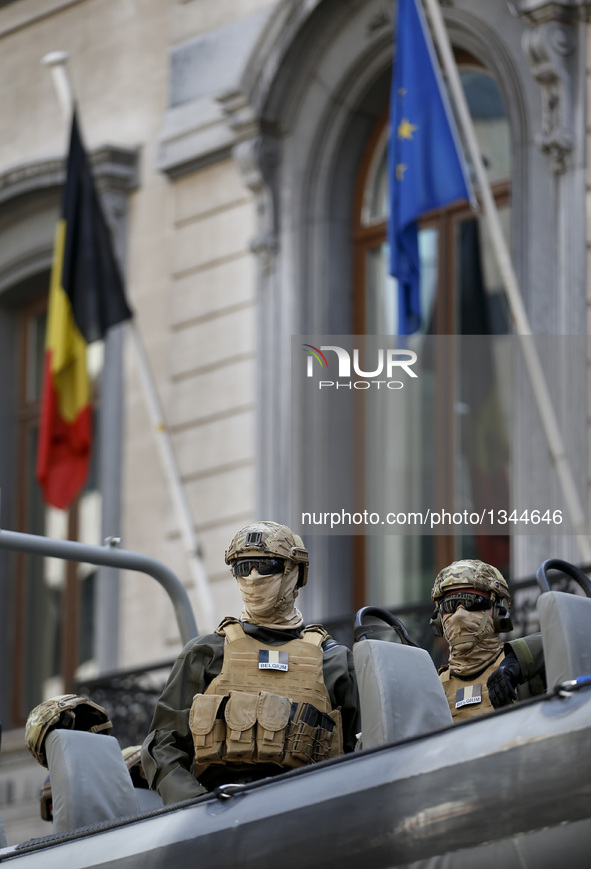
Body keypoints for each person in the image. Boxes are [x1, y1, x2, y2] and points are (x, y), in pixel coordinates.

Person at [141, 521, 360, 805]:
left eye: (266, 565)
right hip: (220, 810)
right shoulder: (206, 653)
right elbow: (162, 745)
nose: (253, 577)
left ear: (295, 572)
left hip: (307, 811)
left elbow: (362, 750)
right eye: (243, 567)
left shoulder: (333, 660)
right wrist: (197, 808)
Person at [430, 559, 545, 721]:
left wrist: (518, 660)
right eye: (450, 605)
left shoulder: (524, 669)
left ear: (499, 610)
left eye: (473, 602)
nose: (460, 615)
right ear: (438, 619)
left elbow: (571, 638)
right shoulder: (433, 688)